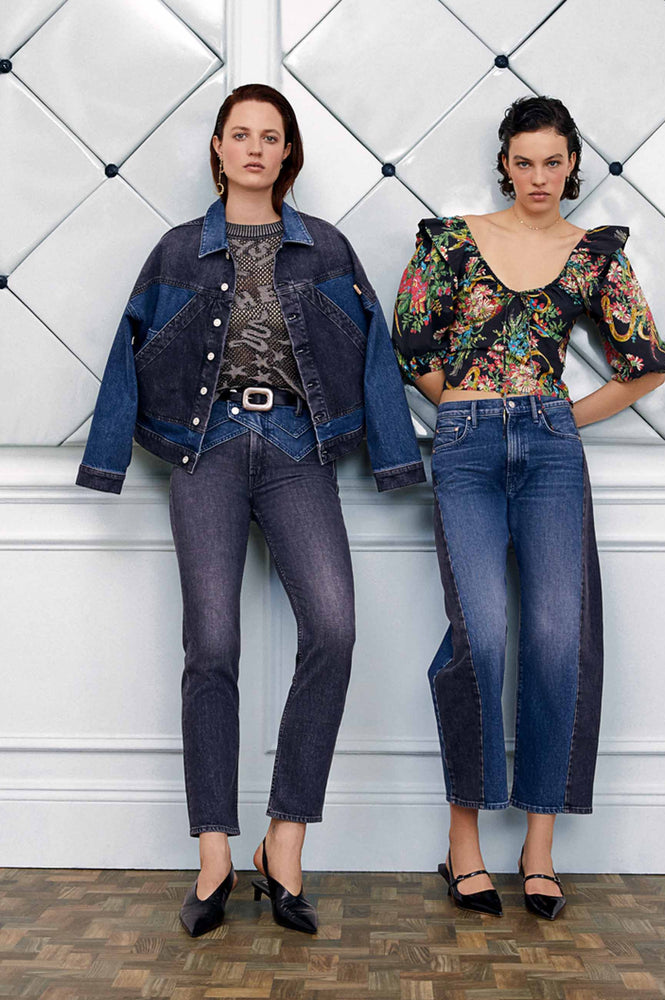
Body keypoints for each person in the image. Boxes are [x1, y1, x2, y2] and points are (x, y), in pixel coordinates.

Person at [76, 83, 425, 936]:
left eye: (272, 137)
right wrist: (108, 459)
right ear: (220, 150)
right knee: (214, 645)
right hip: (208, 451)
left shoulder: (328, 250)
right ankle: (213, 855)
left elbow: (377, 353)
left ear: (288, 153)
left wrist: (393, 456)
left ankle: (286, 840)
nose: (257, 149)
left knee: (334, 630)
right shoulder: (173, 253)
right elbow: (127, 349)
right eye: (242, 135)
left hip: (299, 449)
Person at [392, 95, 665, 921]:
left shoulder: (594, 257)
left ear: (573, 167)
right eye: (525, 160)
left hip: (552, 450)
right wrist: (466, 409)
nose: (540, 177)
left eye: (555, 162)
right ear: (505, 164)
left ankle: (540, 849)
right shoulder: (449, 243)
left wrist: (557, 416)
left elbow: (646, 362)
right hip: (468, 445)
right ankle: (464, 845)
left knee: (557, 637)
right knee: (480, 635)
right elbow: (411, 343)